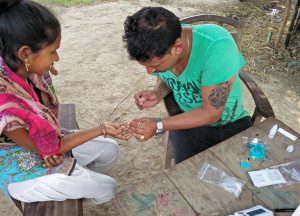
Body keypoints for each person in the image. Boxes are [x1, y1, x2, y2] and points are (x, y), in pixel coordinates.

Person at [0, 0, 131, 204]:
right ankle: (67, 186)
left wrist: (51, 149)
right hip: (19, 166)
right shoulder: (5, 104)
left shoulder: (20, 66)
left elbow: (49, 142)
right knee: (107, 188)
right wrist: (101, 128)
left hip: (43, 144)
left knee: (109, 150)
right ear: (25, 53)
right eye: (52, 51)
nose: (57, 58)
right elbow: (50, 147)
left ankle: (72, 178)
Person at [123, 7, 252, 164]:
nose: (150, 72)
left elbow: (211, 113)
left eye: (155, 66)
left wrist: (158, 125)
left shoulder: (217, 46)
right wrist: (157, 92)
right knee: (185, 178)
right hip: (188, 123)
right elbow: (166, 76)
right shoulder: (162, 43)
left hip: (231, 124)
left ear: (177, 48)